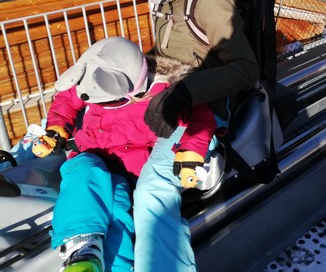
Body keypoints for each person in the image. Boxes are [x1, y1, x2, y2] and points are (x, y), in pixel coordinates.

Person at [106, 0, 260, 272]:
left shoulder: (208, 0)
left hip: (203, 110)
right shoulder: (165, 0)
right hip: (173, 98)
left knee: (151, 192)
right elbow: (172, 54)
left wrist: (186, 94)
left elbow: (245, 69)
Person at [31, 36, 216, 272]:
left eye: (110, 102)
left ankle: (115, 266)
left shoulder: (165, 96)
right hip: (92, 154)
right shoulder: (93, 79)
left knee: (117, 212)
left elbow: (200, 118)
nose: (101, 106)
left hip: (129, 167)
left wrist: (190, 151)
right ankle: (82, 248)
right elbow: (68, 97)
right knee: (81, 176)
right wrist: (57, 127)